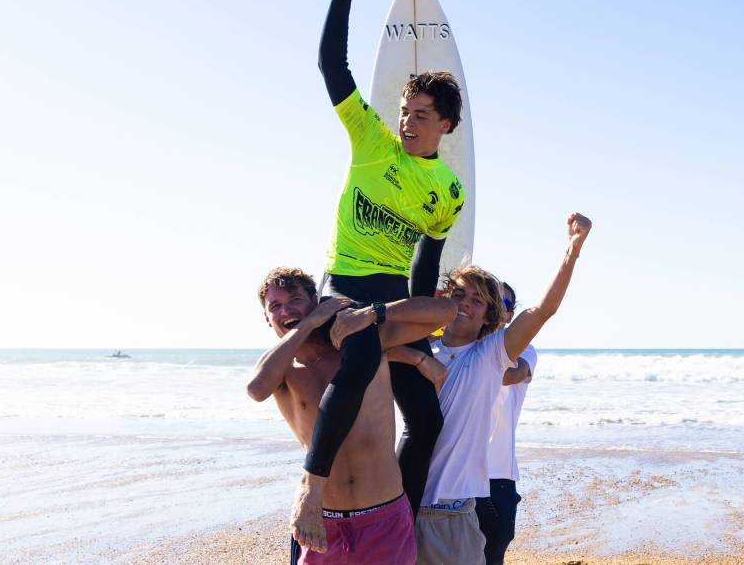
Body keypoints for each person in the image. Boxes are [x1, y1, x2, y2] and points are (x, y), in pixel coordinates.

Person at [291, 0, 468, 544]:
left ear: (445, 125)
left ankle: (400, 519)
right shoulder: (372, 140)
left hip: (391, 295)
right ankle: (311, 489)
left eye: (421, 116)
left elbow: (425, 262)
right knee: (363, 356)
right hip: (346, 284)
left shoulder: (448, 191)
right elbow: (331, 66)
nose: (407, 122)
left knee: (426, 418)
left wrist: (416, 327)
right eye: (404, 112)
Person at [409, 213, 592, 565]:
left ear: (489, 315)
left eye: (476, 300)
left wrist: (572, 250)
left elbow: (542, 311)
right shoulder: (418, 348)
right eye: (459, 294)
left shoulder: (488, 356)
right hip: (400, 506)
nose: (465, 303)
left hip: (451, 515)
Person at [247, 267, 454, 563]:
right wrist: (308, 324)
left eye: (295, 300)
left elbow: (444, 312)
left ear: (316, 300)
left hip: (384, 516)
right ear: (266, 318)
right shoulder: (283, 370)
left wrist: (374, 313)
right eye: (275, 306)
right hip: (321, 523)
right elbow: (255, 389)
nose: (286, 310)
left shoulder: (362, 344)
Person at [474, 281, 537, 564]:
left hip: (497, 478)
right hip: (453, 475)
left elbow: (510, 375)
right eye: (490, 300)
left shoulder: (527, 351)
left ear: (511, 315)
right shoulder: (458, 348)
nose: (497, 308)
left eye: (504, 304)